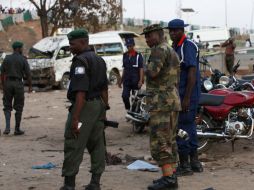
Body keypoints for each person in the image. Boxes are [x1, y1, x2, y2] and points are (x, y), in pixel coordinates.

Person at [60, 29, 108, 190]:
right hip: (98, 106)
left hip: (84, 107)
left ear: (83, 42)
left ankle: (69, 185)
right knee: (97, 143)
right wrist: (103, 111)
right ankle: (95, 182)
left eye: (72, 44)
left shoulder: (80, 61)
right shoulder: (99, 60)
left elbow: (81, 92)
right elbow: (104, 89)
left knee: (74, 141)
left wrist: (75, 119)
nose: (70, 47)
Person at [141, 24, 181, 190]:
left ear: (157, 35)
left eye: (149, 36)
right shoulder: (170, 50)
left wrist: (143, 66)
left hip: (161, 103)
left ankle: (169, 179)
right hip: (170, 101)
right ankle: (170, 175)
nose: (147, 39)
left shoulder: (159, 50)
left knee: (161, 141)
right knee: (170, 140)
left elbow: (152, 72)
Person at [167, 19, 203, 176]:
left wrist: (187, 98)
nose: (172, 33)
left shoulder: (187, 45)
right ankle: (195, 163)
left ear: (182, 30)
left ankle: (185, 166)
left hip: (187, 94)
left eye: (175, 30)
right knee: (190, 128)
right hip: (180, 94)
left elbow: (192, 73)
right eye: (171, 30)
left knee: (182, 128)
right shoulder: (176, 46)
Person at [1, 41, 32, 135]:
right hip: (18, 84)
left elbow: (2, 73)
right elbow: (28, 74)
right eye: (21, 48)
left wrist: (3, 85)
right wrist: (30, 86)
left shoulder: (7, 58)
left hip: (8, 83)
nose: (22, 49)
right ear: (18, 48)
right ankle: (17, 129)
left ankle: (7, 128)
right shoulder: (23, 59)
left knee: (7, 106)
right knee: (19, 107)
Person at [118, 37, 144, 110]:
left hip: (135, 80)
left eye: (130, 45)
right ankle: (128, 109)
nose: (128, 47)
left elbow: (141, 68)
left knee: (135, 99)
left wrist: (140, 80)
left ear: (133, 45)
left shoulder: (138, 55)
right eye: (127, 46)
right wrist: (121, 80)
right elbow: (124, 68)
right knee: (124, 96)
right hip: (127, 81)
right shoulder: (125, 55)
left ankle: (134, 113)